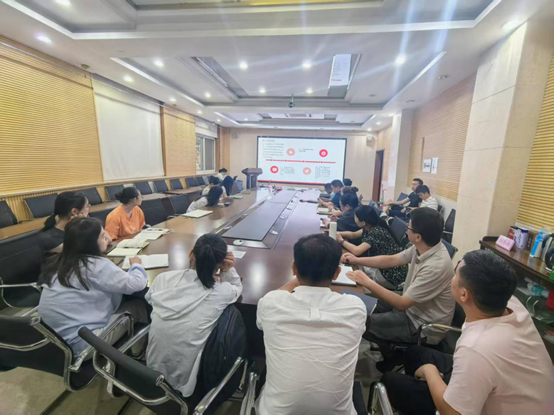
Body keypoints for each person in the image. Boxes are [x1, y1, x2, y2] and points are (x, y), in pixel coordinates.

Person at [382, 250, 554, 415]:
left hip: (477, 404)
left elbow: (451, 412)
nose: (452, 276)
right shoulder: (511, 303)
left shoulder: (476, 348)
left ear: (464, 294)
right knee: (415, 353)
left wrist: (430, 372)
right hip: (508, 386)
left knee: (390, 381)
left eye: (456, 274)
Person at [255, 234, 366, 415]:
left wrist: (300, 274)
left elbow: (275, 298)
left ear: (294, 269)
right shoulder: (355, 308)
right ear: (337, 273)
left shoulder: (271, 303)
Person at [344, 208, 454, 370]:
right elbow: (393, 259)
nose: (406, 230)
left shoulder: (435, 266)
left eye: (408, 227)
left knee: (361, 322)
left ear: (418, 236)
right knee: (360, 305)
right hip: (411, 307)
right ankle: (393, 350)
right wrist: (356, 260)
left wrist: (367, 282)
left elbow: (402, 304)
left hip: (421, 324)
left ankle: (394, 355)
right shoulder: (423, 246)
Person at [146, 234, 242, 397]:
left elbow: (149, 299)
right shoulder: (221, 292)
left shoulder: (163, 279)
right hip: (185, 387)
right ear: (221, 263)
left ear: (191, 254)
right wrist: (228, 269)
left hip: (150, 375)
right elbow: (236, 287)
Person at [38, 217, 148, 356]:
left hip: (54, 344)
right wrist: (136, 264)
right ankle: (137, 355)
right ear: (91, 243)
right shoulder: (95, 265)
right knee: (138, 305)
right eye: (102, 236)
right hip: (85, 345)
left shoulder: (58, 261)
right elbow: (137, 283)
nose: (106, 238)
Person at [337, 205, 407, 290]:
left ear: (363, 222)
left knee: (351, 271)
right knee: (352, 265)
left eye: (355, 217)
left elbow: (357, 251)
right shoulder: (370, 226)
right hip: (383, 267)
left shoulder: (377, 232)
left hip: (390, 275)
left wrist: (341, 241)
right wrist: (338, 234)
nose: (354, 218)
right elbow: (353, 234)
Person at [38, 191, 91, 256]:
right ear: (74, 211)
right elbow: (86, 250)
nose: (89, 208)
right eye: (87, 206)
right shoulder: (50, 239)